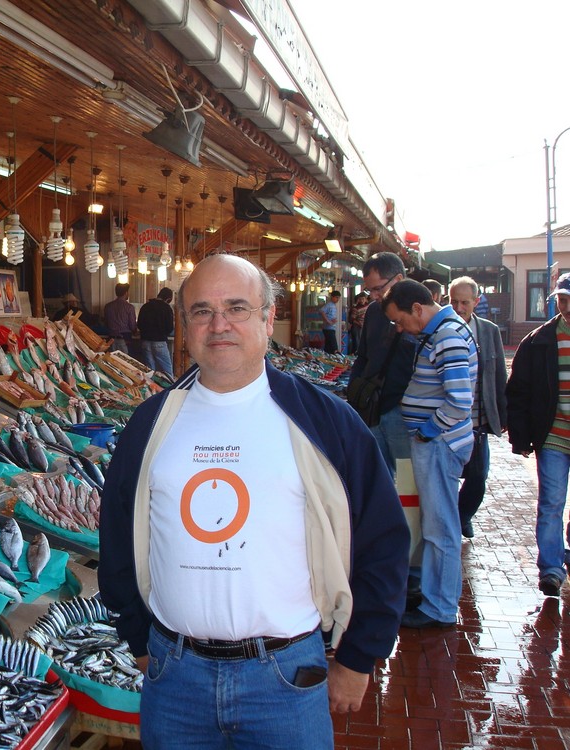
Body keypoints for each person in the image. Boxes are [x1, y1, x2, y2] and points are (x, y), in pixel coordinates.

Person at [98, 254, 409, 748]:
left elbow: (384, 540)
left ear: (267, 319)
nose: (218, 324)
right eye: (201, 311)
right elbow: (116, 533)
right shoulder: (150, 423)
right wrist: (137, 635)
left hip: (286, 679)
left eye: (237, 308)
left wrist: (358, 656)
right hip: (174, 679)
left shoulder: (326, 422)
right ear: (184, 326)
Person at [382, 279, 477, 628]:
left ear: (418, 309)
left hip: (439, 444)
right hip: (437, 443)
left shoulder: (447, 335)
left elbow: (459, 402)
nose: (399, 327)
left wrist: (426, 431)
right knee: (437, 526)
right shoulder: (441, 332)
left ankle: (439, 608)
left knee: (440, 528)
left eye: (400, 320)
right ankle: (437, 599)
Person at [506, 271, 570, 598]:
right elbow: (518, 390)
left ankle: (564, 551)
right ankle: (551, 569)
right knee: (551, 503)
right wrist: (520, 435)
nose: (567, 306)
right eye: (563, 299)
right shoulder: (539, 341)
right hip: (554, 437)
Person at [347, 252, 418, 476]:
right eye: (370, 290)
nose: (374, 295)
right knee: (378, 477)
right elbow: (363, 356)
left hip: (404, 412)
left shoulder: (419, 311)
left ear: (397, 280)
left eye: (378, 289)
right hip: (373, 408)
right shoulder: (374, 312)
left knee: (408, 481)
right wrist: (354, 391)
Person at [448, 276, 507, 539]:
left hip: (479, 421)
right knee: (449, 476)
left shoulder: (489, 330)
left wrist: (502, 414)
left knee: (478, 476)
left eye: (464, 302)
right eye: (454, 301)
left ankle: (462, 515)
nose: (459, 308)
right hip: (449, 422)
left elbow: (498, 376)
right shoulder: (442, 328)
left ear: (476, 302)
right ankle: (453, 520)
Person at [137, 287, 174, 375]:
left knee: (149, 371)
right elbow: (169, 327)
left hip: (145, 341)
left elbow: (139, 324)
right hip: (159, 341)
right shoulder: (166, 308)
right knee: (167, 370)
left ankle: (151, 387)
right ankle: (170, 387)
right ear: (168, 298)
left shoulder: (145, 306)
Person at [104, 283, 136, 354]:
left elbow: (106, 323)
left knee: (112, 361)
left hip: (111, 338)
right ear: (126, 293)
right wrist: (135, 331)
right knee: (125, 361)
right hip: (125, 339)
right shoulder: (129, 307)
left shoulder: (108, 306)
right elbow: (132, 325)